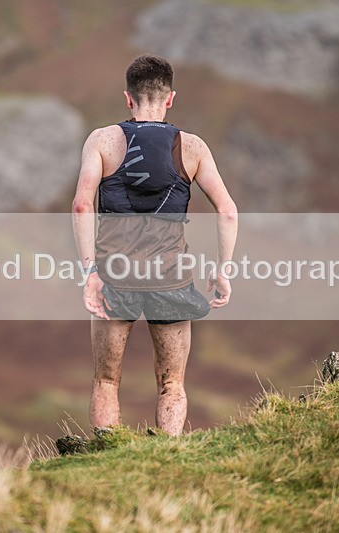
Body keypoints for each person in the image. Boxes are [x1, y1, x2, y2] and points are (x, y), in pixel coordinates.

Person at [72, 54, 237, 436]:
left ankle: (106, 463)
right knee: (172, 383)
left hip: (116, 277)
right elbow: (227, 211)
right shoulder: (193, 147)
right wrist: (223, 269)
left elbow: (82, 204)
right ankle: (170, 460)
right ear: (170, 98)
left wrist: (90, 273)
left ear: (128, 98)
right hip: (171, 280)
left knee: (106, 381)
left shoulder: (102, 140)